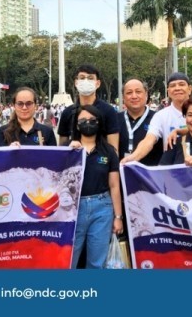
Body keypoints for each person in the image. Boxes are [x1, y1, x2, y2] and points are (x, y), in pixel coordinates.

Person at [121, 72, 192, 164]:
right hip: (173, 174)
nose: (177, 88)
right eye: (172, 86)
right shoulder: (160, 116)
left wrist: (179, 131)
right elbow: (149, 140)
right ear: (168, 91)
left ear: (189, 89)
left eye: (181, 84)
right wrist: (132, 158)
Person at [67, 104, 122, 269]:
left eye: (92, 120)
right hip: (73, 209)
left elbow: (114, 186)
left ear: (99, 123)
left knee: (97, 262)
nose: (88, 123)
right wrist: (68, 154)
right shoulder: (68, 150)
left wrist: (118, 217)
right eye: (83, 120)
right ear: (76, 124)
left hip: (102, 208)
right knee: (68, 260)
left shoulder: (109, 151)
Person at [58, 65, 121, 151]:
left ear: (98, 83)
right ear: (76, 83)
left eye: (90, 78)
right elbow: (61, 148)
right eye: (82, 78)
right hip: (75, 162)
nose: (86, 81)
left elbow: (114, 148)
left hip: (100, 162)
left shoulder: (108, 111)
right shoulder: (67, 112)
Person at [118, 79, 162, 165]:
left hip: (150, 176)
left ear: (146, 94)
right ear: (123, 97)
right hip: (121, 175)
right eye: (129, 93)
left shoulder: (158, 118)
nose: (134, 96)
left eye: (138, 92)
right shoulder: (115, 119)